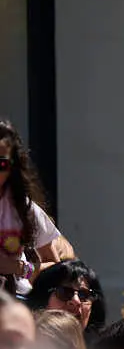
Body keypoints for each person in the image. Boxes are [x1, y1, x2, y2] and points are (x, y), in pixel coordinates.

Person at [0, 119, 69, 295]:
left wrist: (20, 268)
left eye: (1, 164)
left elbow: (56, 266)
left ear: (13, 167)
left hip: (12, 302)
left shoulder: (23, 208)